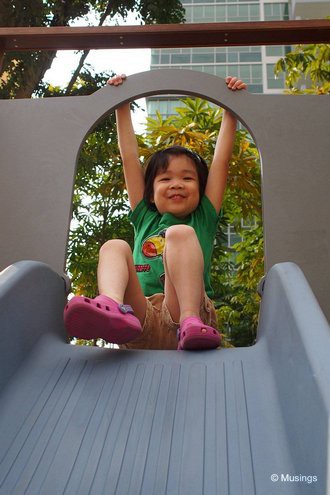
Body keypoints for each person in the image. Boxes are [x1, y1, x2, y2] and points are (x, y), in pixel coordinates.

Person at [64, 74, 247, 350]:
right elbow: (128, 158)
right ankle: (111, 304)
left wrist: (230, 110)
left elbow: (221, 161)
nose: (176, 184)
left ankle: (190, 320)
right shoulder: (145, 216)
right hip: (140, 319)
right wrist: (121, 105)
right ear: (150, 192)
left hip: (187, 313)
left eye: (187, 178)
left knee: (180, 234)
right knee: (114, 246)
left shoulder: (203, 218)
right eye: (165, 179)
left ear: (201, 189)